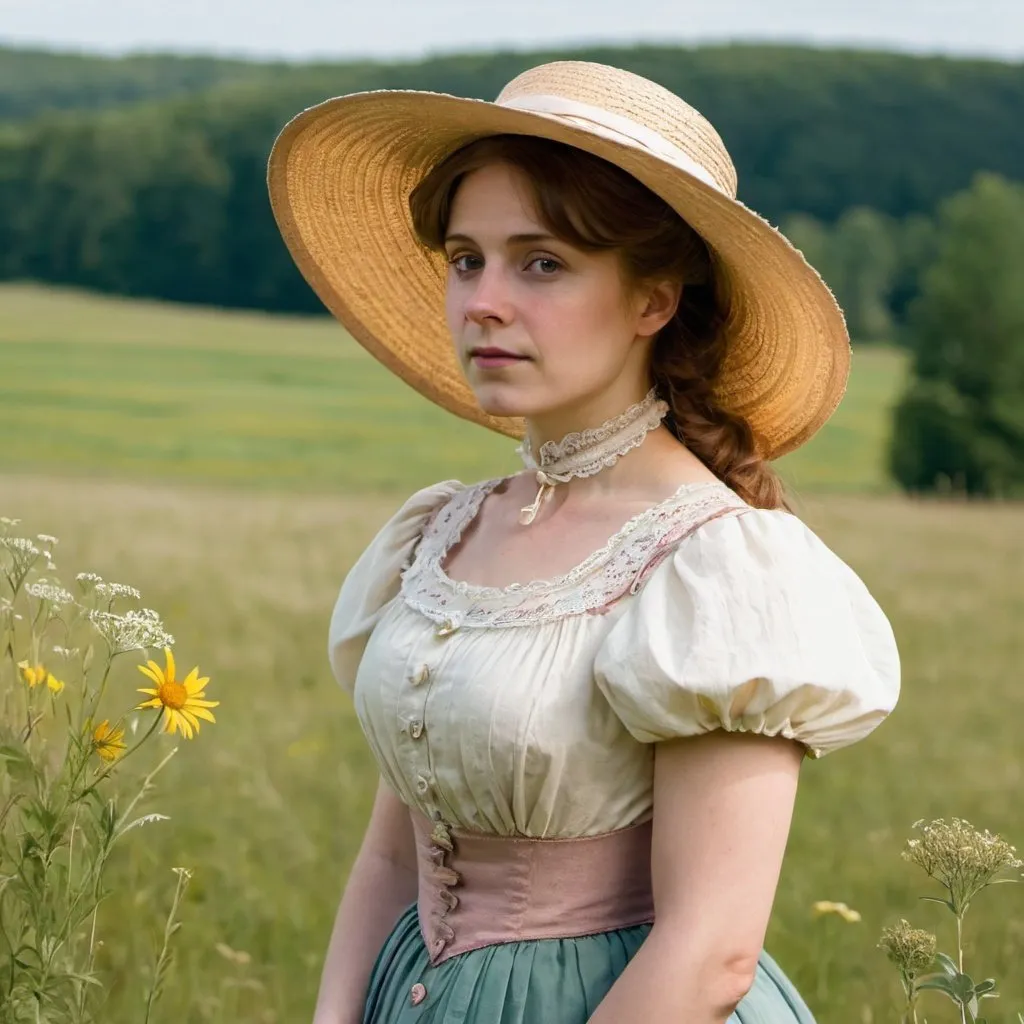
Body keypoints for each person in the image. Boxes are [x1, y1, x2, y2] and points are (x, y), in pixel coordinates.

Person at [267, 60, 901, 1024]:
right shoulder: (441, 533)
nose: (483, 301)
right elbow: (395, 853)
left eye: (542, 263)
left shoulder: (719, 567)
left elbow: (711, 951)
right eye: (466, 258)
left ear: (653, 300)